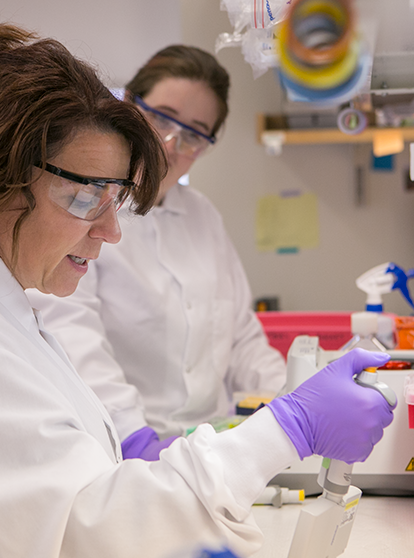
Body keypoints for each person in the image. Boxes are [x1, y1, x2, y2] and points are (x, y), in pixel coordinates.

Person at [0, 19, 393, 558]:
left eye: (116, 199)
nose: (111, 231)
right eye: (86, 199)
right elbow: (94, 533)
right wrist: (285, 428)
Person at [28, 45, 287, 459]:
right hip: (122, 448)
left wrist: (287, 404)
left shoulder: (203, 216)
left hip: (213, 447)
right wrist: (135, 438)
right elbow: (73, 333)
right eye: (161, 118)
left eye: (193, 135)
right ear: (130, 104)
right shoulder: (84, 206)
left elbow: (242, 338)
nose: (169, 144)